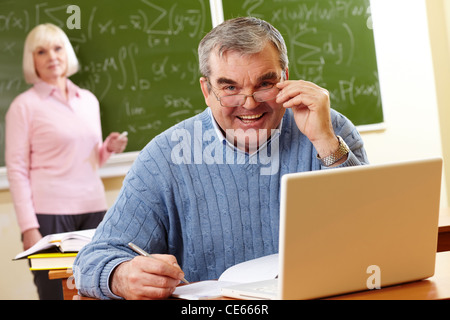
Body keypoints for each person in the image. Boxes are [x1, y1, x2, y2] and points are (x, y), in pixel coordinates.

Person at [73, 17, 368, 300]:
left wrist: (326, 144)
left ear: (285, 78)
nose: (249, 103)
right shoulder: (164, 157)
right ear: (206, 90)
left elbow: (373, 230)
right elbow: (91, 261)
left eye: (265, 84)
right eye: (230, 88)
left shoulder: (329, 127)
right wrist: (122, 276)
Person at [5, 23, 128, 300]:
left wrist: (107, 148)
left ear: (67, 53)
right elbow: (17, 170)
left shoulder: (88, 100)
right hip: (49, 217)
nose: (52, 56)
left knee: (98, 291)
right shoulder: (23, 106)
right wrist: (28, 228)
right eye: (41, 51)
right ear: (32, 60)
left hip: (94, 209)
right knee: (55, 294)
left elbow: (90, 157)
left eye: (58, 48)